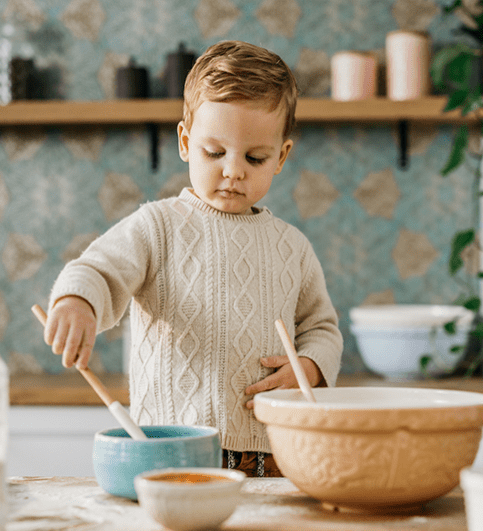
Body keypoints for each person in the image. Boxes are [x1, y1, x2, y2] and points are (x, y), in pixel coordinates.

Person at [42, 40, 342, 477]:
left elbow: (321, 328)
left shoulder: (292, 247)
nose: (233, 170)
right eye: (214, 152)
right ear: (185, 142)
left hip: (275, 455)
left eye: (255, 157)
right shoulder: (156, 226)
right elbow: (98, 269)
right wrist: (78, 302)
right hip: (169, 453)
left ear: (281, 156)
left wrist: (312, 366)